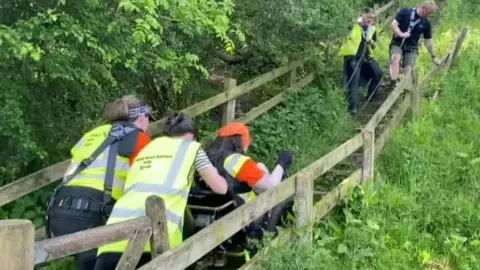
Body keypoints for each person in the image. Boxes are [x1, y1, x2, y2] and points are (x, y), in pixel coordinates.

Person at [95, 112, 228, 270]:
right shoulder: (191, 148)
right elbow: (221, 188)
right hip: (151, 245)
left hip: (112, 239)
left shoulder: (147, 149)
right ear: (191, 135)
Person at [45, 94, 152, 270]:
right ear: (142, 117)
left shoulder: (92, 135)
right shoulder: (140, 139)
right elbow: (146, 183)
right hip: (95, 215)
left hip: (60, 212)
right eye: (148, 118)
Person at [204, 122, 293, 260]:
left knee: (260, 167)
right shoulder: (237, 161)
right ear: (240, 141)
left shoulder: (205, 159)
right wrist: (282, 163)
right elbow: (272, 185)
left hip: (214, 216)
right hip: (247, 217)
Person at [340, 8, 383, 115]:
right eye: (368, 17)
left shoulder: (372, 29)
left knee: (378, 73)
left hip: (366, 57)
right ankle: (352, 106)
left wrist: (372, 43)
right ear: (362, 15)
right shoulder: (353, 25)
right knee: (355, 77)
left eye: (372, 18)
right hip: (352, 56)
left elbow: (374, 46)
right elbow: (343, 36)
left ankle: (371, 97)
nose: (370, 20)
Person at [389, 0, 442, 87]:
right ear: (424, 8)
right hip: (398, 43)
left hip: (412, 47)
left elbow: (428, 41)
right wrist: (401, 34)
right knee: (395, 58)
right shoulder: (405, 12)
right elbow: (394, 24)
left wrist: (433, 56)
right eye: (429, 12)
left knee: (408, 68)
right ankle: (393, 84)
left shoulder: (426, 23)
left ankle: (406, 88)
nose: (429, 15)